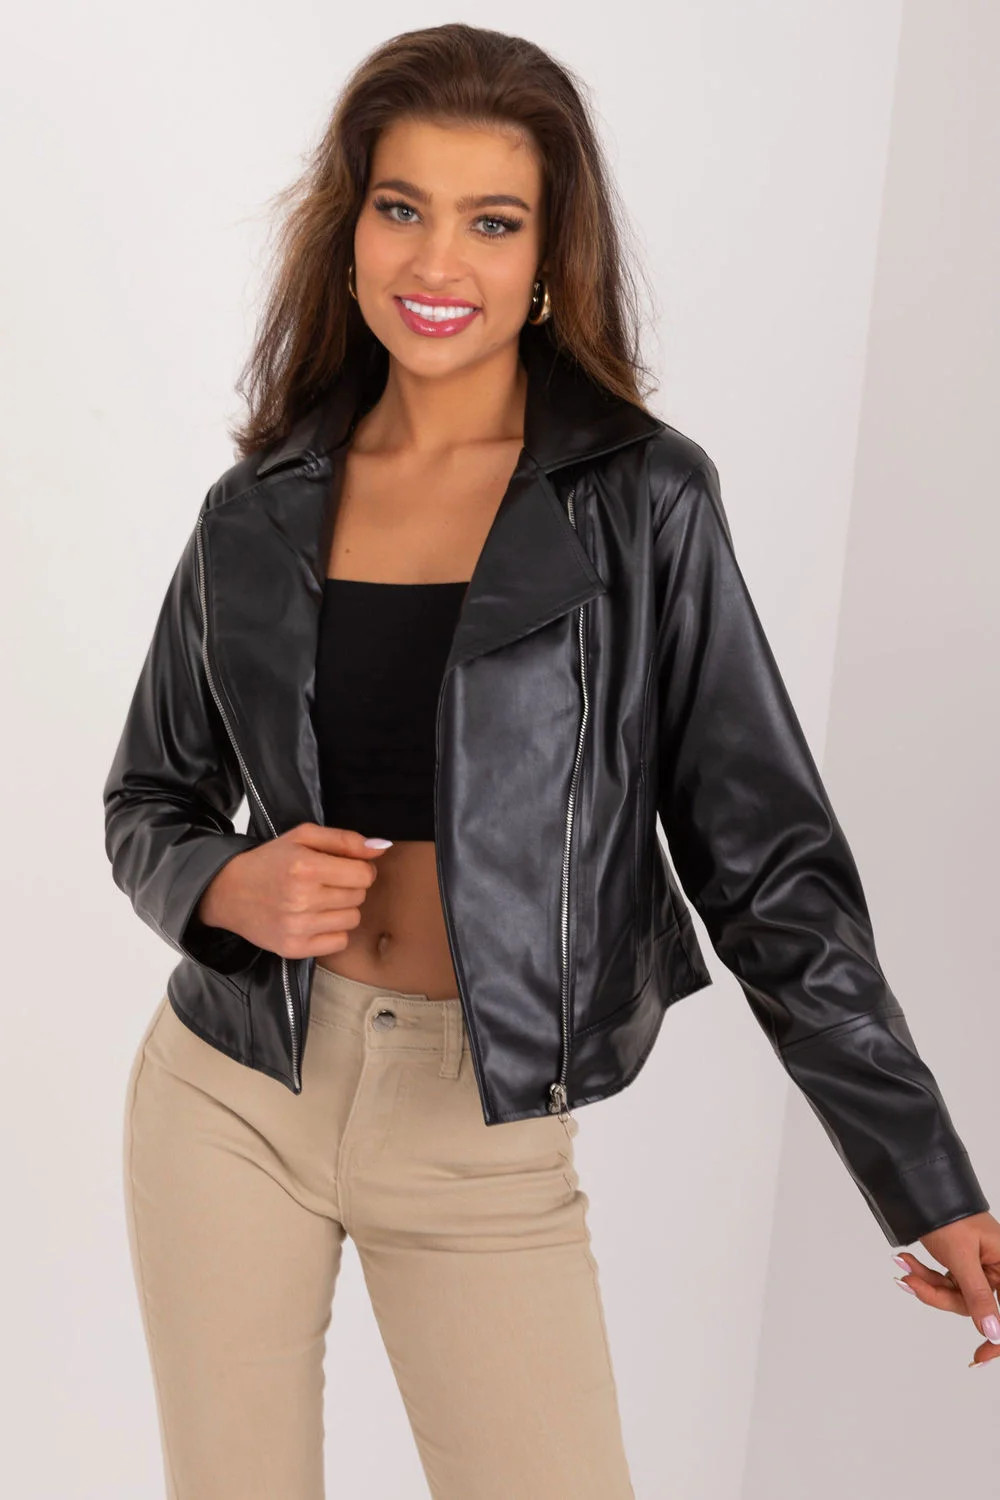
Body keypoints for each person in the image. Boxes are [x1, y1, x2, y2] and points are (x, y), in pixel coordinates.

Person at [103, 22, 999, 1500]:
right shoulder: (254, 505)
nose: (435, 259)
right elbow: (150, 794)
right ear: (349, 234)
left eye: (492, 220)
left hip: (477, 1124)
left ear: (547, 257)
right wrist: (221, 886)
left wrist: (923, 1177)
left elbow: (767, 868)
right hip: (228, 1092)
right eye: (402, 207)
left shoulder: (646, 501)